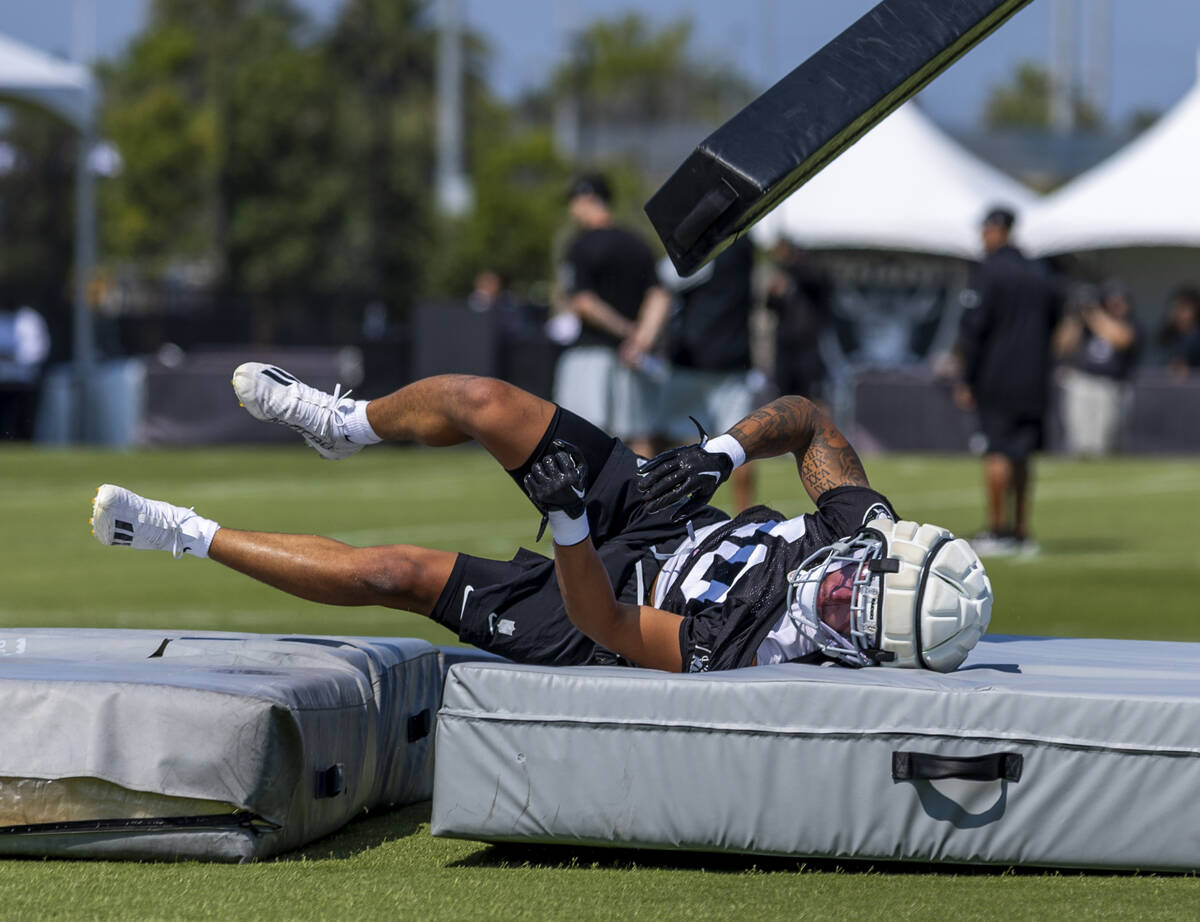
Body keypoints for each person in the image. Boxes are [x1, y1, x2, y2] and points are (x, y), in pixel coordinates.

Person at [90, 362, 991, 674]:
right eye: (856, 578)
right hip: (662, 517)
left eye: (847, 615)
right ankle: (344, 425)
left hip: (595, 606)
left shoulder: (752, 649)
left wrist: (567, 524)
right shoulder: (863, 535)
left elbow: (605, 620)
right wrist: (719, 453)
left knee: (392, 576)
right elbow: (807, 418)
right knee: (482, 399)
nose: (836, 590)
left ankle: (182, 532)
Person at [954, 206, 1063, 556]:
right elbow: (1055, 321)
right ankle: (1021, 532)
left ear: (995, 230)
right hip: (1034, 376)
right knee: (1023, 454)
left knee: (997, 450)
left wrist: (966, 376)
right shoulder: (1040, 272)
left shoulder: (989, 271)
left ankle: (998, 530)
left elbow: (974, 328)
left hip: (997, 376)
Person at [555, 173, 670, 457]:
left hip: (592, 353)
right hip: (632, 357)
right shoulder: (637, 243)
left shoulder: (580, 245)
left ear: (587, 200)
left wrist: (625, 331)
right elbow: (660, 296)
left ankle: (592, 503)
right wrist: (641, 339)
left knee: (581, 438)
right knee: (638, 435)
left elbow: (584, 303)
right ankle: (648, 500)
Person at [656, 235, 759, 511]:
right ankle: (746, 515)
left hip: (694, 359)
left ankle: (667, 515)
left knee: (672, 440)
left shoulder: (708, 246)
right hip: (735, 359)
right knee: (741, 444)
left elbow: (666, 276)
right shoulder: (746, 245)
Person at [1054, 280, 1140, 458]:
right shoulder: (1083, 325)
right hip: (1082, 381)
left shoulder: (1126, 322)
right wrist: (1074, 317)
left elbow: (1120, 339)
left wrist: (1094, 314)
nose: (1115, 304)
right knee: (1078, 439)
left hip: (1109, 385)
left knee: (1104, 439)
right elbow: (1061, 347)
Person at [0, 305, 51, 440]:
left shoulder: (29, 319)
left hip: (22, 381)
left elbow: (37, 349)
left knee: (21, 420)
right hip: (2, 379)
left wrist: (15, 357)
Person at [1158, 285, 1200, 379]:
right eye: (1175, 307)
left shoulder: (1196, 337)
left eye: (1183, 307)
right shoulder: (1168, 334)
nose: (1178, 312)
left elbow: (1180, 369)